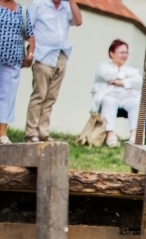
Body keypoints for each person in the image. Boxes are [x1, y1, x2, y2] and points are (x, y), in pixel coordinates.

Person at [24, 0, 82, 143]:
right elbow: (26, 29)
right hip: (43, 55)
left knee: (51, 97)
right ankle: (31, 133)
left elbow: (78, 21)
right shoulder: (39, 4)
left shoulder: (66, 6)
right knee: (39, 95)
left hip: (61, 55)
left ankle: (43, 133)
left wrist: (73, 2)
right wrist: (31, 51)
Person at [91, 39, 142, 148]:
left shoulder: (131, 69)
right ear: (112, 53)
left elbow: (138, 82)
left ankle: (134, 136)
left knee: (136, 104)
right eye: (121, 52)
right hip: (110, 96)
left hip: (127, 97)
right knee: (109, 102)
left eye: (126, 52)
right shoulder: (104, 67)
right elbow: (105, 75)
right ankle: (110, 135)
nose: (124, 55)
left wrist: (119, 82)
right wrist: (127, 80)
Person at [0, 0, 34, 145]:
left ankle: (2, 134)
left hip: (13, 61)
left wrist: (30, 55)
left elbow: (31, 36)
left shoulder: (22, 11)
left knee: (7, 98)